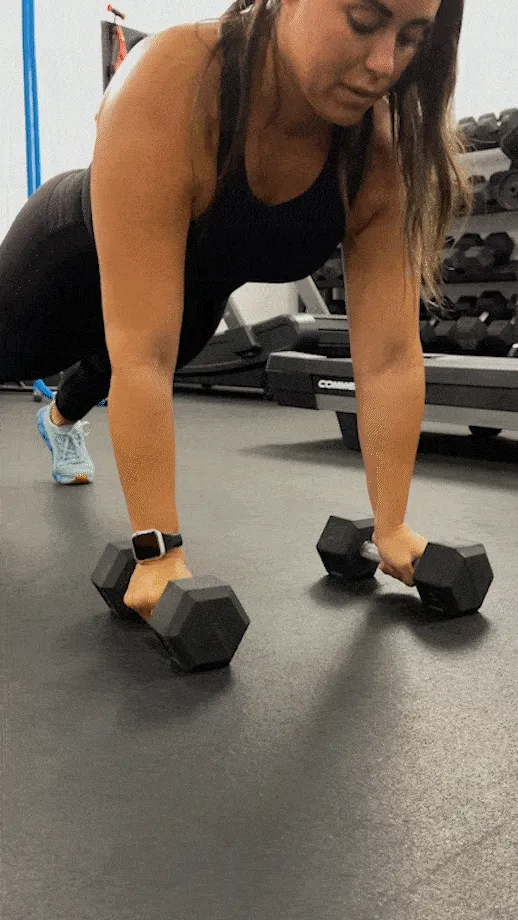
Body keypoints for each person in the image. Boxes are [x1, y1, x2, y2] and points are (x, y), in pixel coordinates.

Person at [0, 0, 471, 620]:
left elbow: (387, 358)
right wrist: (157, 553)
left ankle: (59, 422)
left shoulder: (376, 151)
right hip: (61, 260)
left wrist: (393, 527)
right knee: (59, 351)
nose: (385, 63)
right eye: (362, 20)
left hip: (194, 289)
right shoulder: (175, 79)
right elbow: (141, 352)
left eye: (410, 37)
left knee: (137, 357)